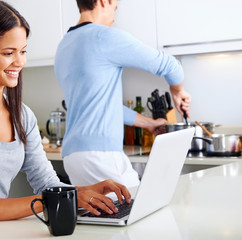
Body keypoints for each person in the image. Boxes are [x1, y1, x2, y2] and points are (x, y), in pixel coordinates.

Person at [0, 0, 131, 235]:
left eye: (23, 51)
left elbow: (47, 184)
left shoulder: (22, 115)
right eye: (8, 52)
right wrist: (54, 200)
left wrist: (84, 191)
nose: (20, 61)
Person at [54, 0, 191, 188]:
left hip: (73, 157)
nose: (113, 18)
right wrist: (178, 90)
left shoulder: (64, 45)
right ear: (103, 1)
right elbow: (170, 66)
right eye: (114, 9)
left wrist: (149, 124)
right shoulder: (104, 36)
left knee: (109, 216)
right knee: (140, 211)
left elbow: (104, 107)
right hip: (101, 156)